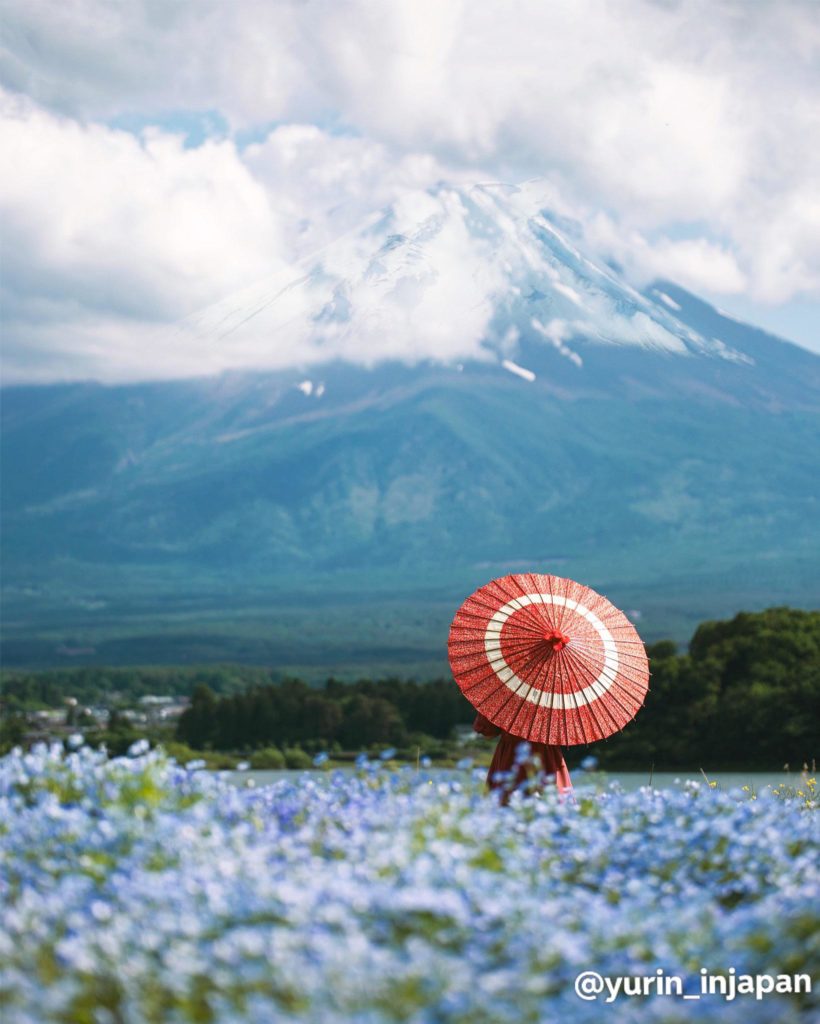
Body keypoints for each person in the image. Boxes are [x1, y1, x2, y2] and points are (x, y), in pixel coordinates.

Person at [473, 711, 572, 804]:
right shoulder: (557, 698)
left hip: (513, 756)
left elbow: (488, 732)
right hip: (547, 756)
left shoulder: (507, 694)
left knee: (507, 809)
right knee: (552, 807)